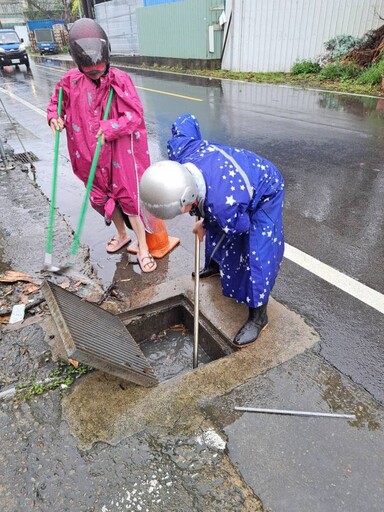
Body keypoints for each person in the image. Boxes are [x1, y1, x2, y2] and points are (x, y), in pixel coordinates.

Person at [139, 113, 285, 347]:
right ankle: (216, 266)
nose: (184, 214)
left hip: (265, 189)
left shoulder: (224, 205)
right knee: (215, 224)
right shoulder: (182, 152)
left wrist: (205, 222)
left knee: (256, 247)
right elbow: (186, 121)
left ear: (188, 194)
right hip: (227, 187)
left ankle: (259, 316)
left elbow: (240, 226)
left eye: (182, 209)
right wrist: (205, 219)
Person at [47, 18, 156, 272]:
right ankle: (122, 235)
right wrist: (54, 117)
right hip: (88, 152)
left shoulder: (120, 80)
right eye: (90, 69)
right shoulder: (70, 81)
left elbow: (134, 116)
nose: (96, 71)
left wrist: (109, 128)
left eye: (100, 66)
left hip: (119, 152)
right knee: (100, 198)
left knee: (129, 199)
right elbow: (57, 103)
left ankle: (143, 246)